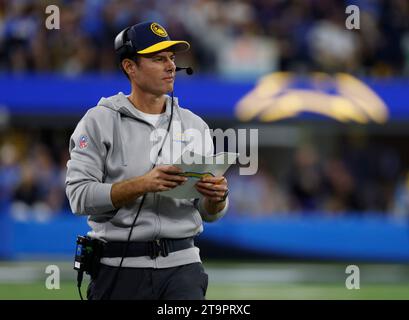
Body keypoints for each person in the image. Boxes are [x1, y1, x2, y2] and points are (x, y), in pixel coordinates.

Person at [65, 21, 229, 300]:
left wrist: (217, 198)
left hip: (183, 267)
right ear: (130, 67)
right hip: (119, 268)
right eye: (158, 59)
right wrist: (143, 184)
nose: (170, 66)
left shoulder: (195, 125)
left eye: (171, 59)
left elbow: (208, 213)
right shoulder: (99, 121)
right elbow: (78, 196)